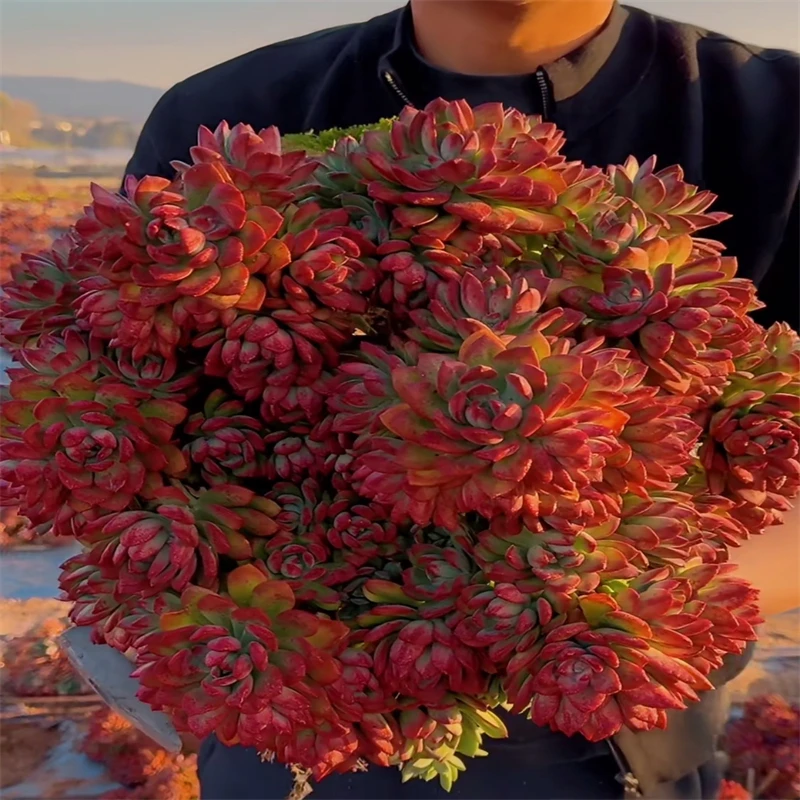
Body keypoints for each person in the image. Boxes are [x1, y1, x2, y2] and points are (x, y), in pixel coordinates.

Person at [125, 2, 800, 798]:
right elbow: (125, 401)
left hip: (619, 717)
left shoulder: (774, 113)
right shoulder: (231, 113)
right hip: (289, 719)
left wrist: (578, 597)